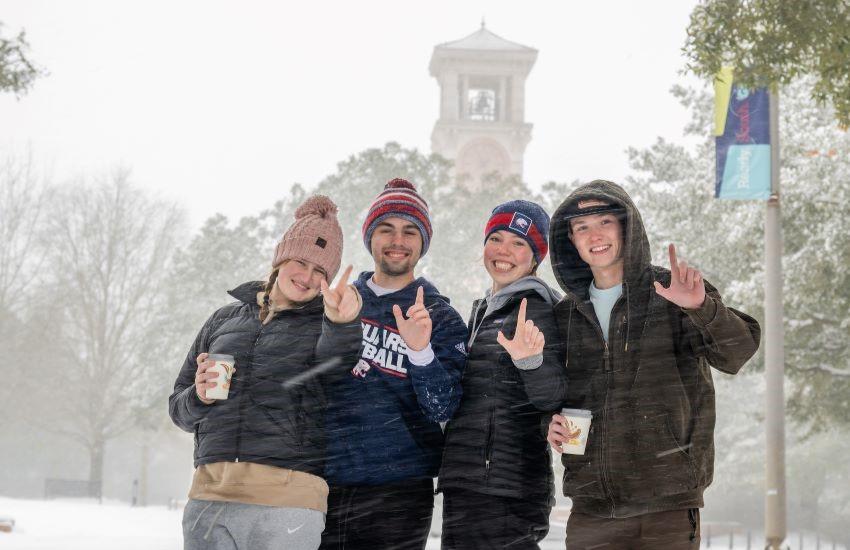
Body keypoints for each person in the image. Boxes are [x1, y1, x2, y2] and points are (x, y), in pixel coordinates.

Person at [545, 180, 761, 549]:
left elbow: (737, 351)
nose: (594, 235)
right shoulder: (564, 314)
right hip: (592, 509)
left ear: (626, 227)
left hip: (667, 504)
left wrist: (700, 308)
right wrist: (547, 425)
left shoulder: (672, 291)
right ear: (571, 241)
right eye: (581, 228)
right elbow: (554, 393)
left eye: (604, 222)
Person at [169, 195, 362, 550]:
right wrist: (197, 395)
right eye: (301, 262)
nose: (306, 277)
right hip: (210, 496)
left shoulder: (326, 324)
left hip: (287, 504)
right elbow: (178, 410)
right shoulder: (223, 319)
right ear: (281, 258)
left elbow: (339, 362)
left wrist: (343, 322)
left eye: (320, 271)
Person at [319, 178, 468, 550]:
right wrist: (336, 325)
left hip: (401, 493)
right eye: (386, 229)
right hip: (329, 481)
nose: (397, 240)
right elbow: (311, 381)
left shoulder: (441, 317)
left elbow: (444, 406)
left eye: (409, 231)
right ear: (370, 237)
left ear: (423, 243)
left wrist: (421, 352)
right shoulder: (341, 301)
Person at [438, 200, 567, 549]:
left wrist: (531, 361)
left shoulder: (536, 307)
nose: (504, 251)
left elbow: (553, 397)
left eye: (519, 243)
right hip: (467, 480)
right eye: (496, 238)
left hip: (507, 485)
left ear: (535, 256)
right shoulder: (486, 308)